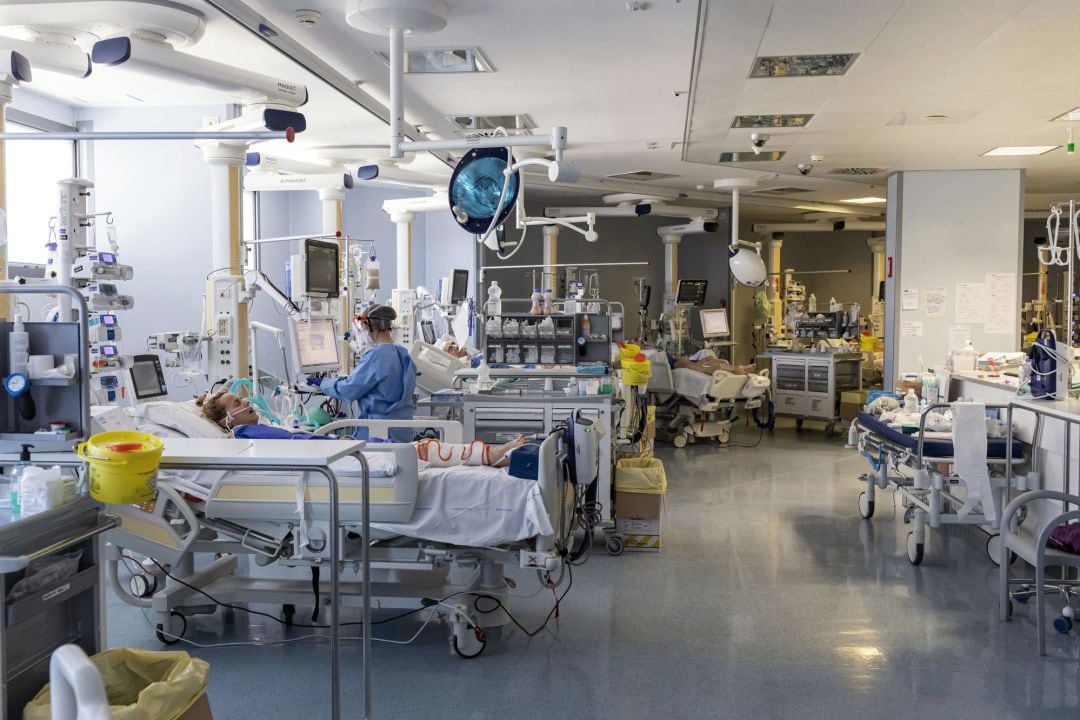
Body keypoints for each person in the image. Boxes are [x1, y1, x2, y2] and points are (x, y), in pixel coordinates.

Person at [196, 390, 526, 466]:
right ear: (227, 419)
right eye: (237, 404)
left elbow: (295, 440)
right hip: (331, 458)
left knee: (415, 449)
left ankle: (490, 456)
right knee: (419, 450)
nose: (247, 403)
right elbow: (295, 447)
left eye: (242, 398)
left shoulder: (254, 430)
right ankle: (492, 456)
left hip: (331, 451)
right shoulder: (243, 436)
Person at [307, 304, 417, 442]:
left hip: (378, 436)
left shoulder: (376, 356)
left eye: (363, 326)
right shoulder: (404, 354)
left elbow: (348, 390)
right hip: (402, 436)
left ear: (369, 325)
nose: (363, 330)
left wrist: (323, 383)